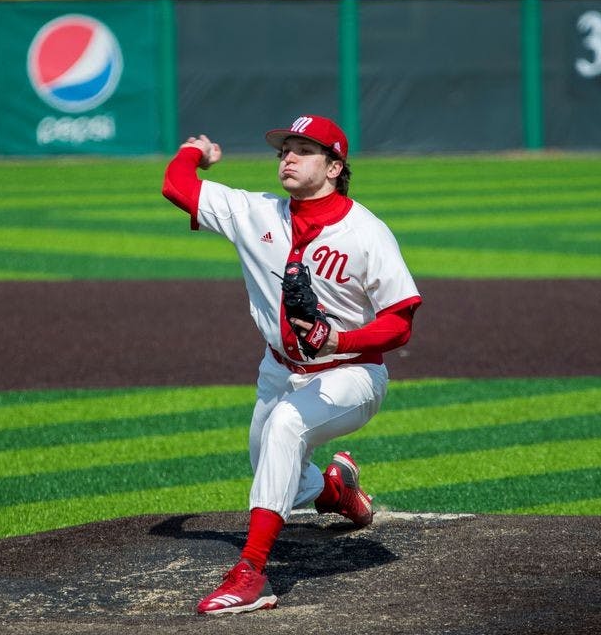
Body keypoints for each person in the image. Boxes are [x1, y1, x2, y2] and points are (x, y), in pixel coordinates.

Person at [161, 115, 422, 615]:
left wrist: (339, 338)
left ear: (334, 166)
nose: (288, 156)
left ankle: (252, 573)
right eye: (285, 149)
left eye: (303, 149)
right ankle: (335, 490)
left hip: (353, 374)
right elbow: (177, 185)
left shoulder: (367, 232)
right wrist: (196, 152)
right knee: (275, 469)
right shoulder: (255, 213)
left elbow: (401, 322)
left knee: (286, 426)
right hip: (278, 371)